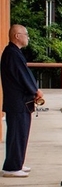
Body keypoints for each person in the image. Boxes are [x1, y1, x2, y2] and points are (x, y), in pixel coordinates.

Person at [1, 25, 43, 178]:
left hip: (18, 102)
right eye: (26, 34)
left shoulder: (13, 53)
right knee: (17, 134)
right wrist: (35, 90)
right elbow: (22, 76)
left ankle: (16, 163)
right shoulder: (12, 54)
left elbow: (23, 74)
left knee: (20, 133)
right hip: (17, 102)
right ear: (17, 36)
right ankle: (12, 167)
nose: (28, 37)